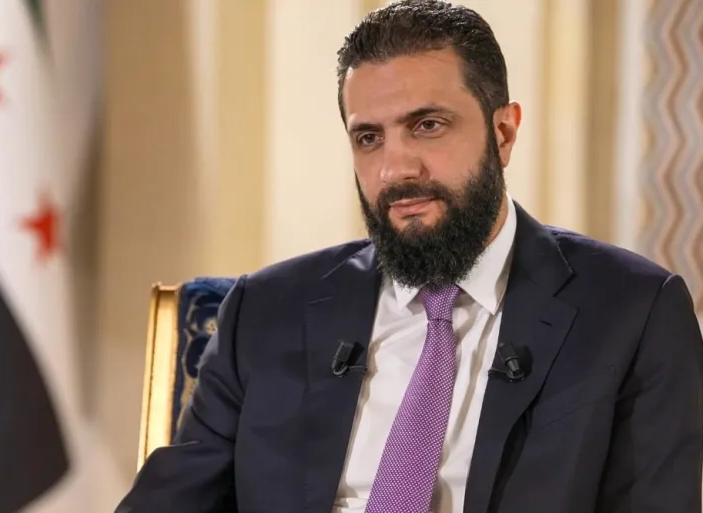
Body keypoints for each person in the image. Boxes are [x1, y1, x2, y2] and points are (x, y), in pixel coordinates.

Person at [115, 1, 703, 512]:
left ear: (503, 133)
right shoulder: (264, 313)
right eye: (369, 138)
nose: (395, 169)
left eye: (427, 125)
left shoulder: (632, 314)